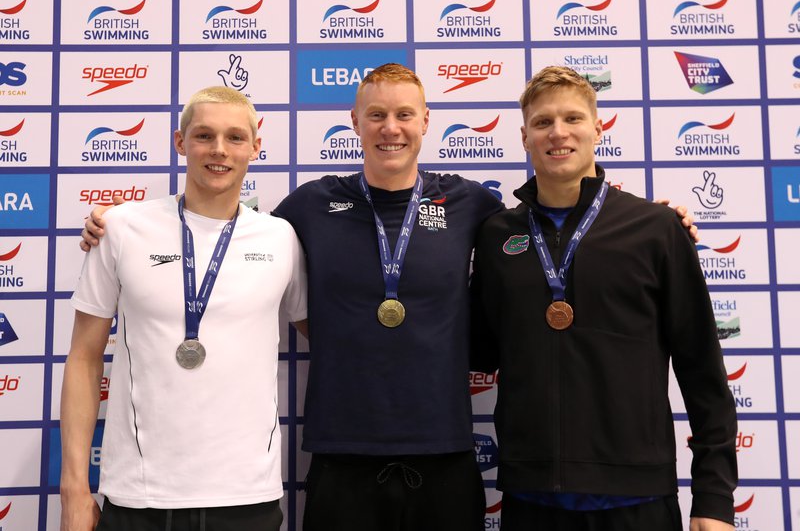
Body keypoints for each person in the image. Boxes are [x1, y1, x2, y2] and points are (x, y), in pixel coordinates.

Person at [79, 64, 699, 531]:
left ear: (426, 122)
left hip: (447, 454)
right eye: (376, 114)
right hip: (342, 456)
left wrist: (664, 218)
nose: (390, 127)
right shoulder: (308, 208)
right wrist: (118, 224)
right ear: (354, 123)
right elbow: (230, 242)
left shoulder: (475, 205)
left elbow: (553, 230)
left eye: (405, 114)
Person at [469, 66, 737, 531]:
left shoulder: (654, 230)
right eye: (542, 122)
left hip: (637, 498)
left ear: (598, 127)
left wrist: (713, 498)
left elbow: (703, 372)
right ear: (524, 136)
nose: (558, 133)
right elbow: (478, 350)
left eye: (573, 118)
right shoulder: (498, 236)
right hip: (531, 499)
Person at [60, 86, 307, 531]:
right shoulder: (118, 228)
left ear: (256, 146)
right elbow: (83, 357)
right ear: (180, 142)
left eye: (235, 137)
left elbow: (330, 333)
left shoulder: (281, 238)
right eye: (203, 136)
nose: (219, 150)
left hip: (248, 495)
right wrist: (75, 488)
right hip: (139, 495)